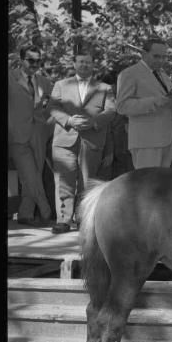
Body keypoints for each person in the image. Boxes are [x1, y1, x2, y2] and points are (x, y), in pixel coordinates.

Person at [48, 50, 116, 234]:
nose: (84, 65)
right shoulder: (61, 85)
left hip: (92, 140)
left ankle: (83, 219)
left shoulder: (105, 88)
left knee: (87, 182)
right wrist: (69, 121)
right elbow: (52, 107)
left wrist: (93, 122)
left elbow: (111, 111)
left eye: (88, 62)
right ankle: (63, 220)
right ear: (74, 64)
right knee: (65, 180)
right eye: (81, 61)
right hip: (64, 139)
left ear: (93, 65)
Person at [116, 37, 172, 169]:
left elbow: (167, 102)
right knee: (146, 187)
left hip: (168, 140)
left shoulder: (164, 76)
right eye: (157, 56)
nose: (161, 61)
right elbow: (122, 106)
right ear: (144, 54)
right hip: (146, 141)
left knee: (159, 188)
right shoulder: (129, 74)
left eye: (164, 57)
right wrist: (157, 101)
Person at [8, 45, 54, 226]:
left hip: (39, 134)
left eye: (38, 60)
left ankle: (25, 214)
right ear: (21, 60)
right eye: (31, 60)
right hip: (16, 135)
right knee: (30, 174)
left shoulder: (45, 81)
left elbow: (53, 105)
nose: (35, 64)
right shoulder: (9, 78)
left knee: (35, 172)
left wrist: (46, 122)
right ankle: (46, 211)